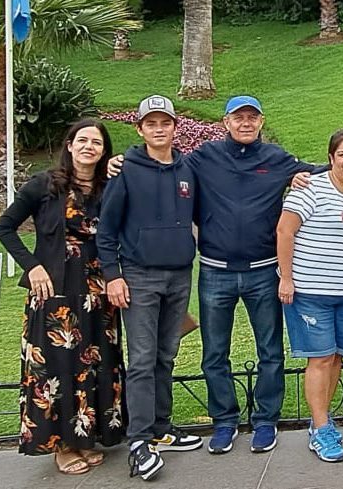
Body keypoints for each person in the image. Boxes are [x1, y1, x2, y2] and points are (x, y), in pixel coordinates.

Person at [112, 95, 324, 455]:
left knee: (270, 352)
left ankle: (265, 421)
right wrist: (120, 160)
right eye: (238, 117)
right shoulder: (203, 157)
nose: (245, 123)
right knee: (214, 353)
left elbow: (328, 170)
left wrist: (336, 167)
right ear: (226, 122)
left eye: (252, 117)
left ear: (261, 121)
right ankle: (224, 421)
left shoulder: (277, 159)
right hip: (215, 272)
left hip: (263, 272)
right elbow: (159, 162)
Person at [0, 119, 125, 476]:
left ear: (104, 150)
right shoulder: (44, 184)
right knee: (58, 368)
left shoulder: (108, 187)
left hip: (99, 295)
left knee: (95, 364)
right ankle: (62, 446)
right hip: (55, 294)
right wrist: (32, 267)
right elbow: (4, 227)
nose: (88, 147)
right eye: (82, 140)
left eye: (96, 142)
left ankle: (85, 437)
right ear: (69, 145)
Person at [98, 96, 202, 481]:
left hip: (179, 275)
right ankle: (139, 441)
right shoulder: (124, 170)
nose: (159, 129)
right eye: (151, 123)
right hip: (139, 276)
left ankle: (161, 427)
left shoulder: (188, 168)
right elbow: (106, 230)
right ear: (140, 129)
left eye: (165, 122)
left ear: (175, 127)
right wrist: (113, 275)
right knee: (142, 359)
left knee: (165, 355)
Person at [275, 129, 343, 463]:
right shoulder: (311, 188)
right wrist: (286, 278)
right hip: (312, 291)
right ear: (331, 158)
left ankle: (322, 419)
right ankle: (321, 429)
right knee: (319, 358)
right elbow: (285, 230)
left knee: (336, 358)